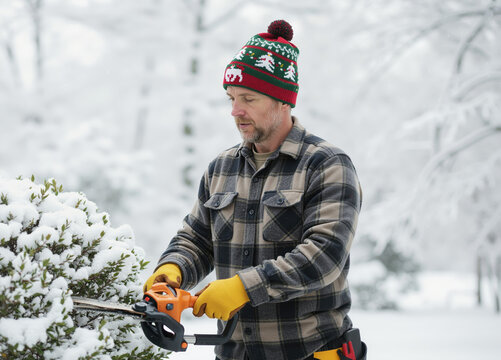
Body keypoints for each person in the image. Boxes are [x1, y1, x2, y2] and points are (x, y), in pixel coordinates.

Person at [144, 20, 366, 360]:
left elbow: (323, 256)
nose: (235, 111)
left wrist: (243, 288)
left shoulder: (327, 165)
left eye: (248, 98)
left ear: (282, 101)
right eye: (232, 98)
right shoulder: (221, 168)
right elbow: (196, 239)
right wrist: (171, 270)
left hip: (312, 352)